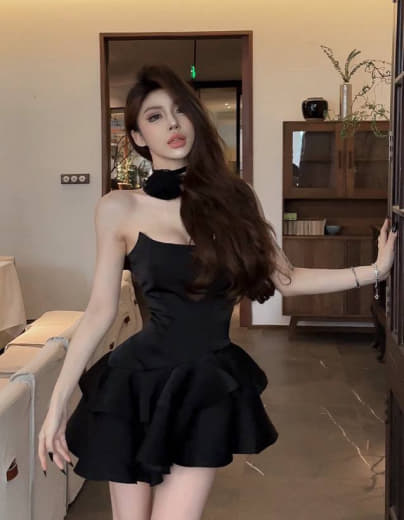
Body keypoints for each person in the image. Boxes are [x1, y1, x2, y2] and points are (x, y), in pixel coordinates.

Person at [38, 64, 397, 520]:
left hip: (205, 384)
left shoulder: (235, 199)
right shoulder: (118, 208)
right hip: (135, 384)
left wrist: (373, 271)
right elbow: (99, 311)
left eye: (180, 110)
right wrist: (56, 405)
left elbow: (285, 278)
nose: (173, 123)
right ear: (138, 137)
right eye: (155, 116)